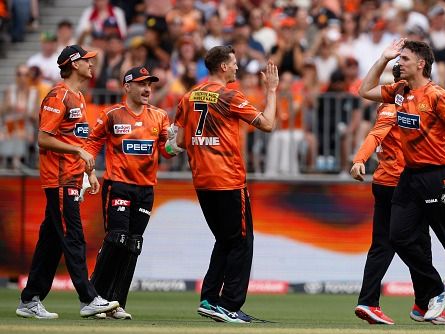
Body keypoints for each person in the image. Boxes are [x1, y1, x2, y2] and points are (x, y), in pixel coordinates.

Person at [358, 39, 445, 326]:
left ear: (421, 64)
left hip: (438, 176)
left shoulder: (438, 95)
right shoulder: (400, 91)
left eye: (403, 58)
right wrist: (383, 59)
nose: (398, 63)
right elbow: (364, 91)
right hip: (409, 177)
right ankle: (437, 290)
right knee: (398, 237)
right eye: (398, 58)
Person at [173, 45, 278, 323]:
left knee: (225, 239)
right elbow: (267, 124)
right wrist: (272, 91)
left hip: (202, 181)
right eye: (233, 63)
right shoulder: (230, 95)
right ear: (223, 67)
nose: (236, 67)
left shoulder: (188, 96)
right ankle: (229, 305)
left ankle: (209, 299)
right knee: (242, 242)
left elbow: (181, 142)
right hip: (228, 179)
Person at [16, 45, 119, 319]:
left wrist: (89, 171)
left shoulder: (79, 97)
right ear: (74, 64)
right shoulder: (58, 95)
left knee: (50, 241)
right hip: (59, 179)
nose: (91, 64)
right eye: (87, 60)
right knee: (74, 237)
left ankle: (30, 299)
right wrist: (78, 153)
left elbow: (78, 141)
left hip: (71, 177)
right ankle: (89, 297)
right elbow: (44, 137)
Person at [351, 62, 445, 325]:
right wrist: (359, 159)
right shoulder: (396, 106)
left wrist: (360, 160)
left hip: (388, 182)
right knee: (413, 244)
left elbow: (376, 134)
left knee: (386, 244)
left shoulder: (392, 105)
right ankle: (427, 300)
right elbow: (376, 135)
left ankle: (376, 301)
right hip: (402, 184)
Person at [84, 66, 178, 320]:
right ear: (127, 87)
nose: (147, 89)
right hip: (118, 184)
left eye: (150, 84)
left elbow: (165, 152)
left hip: (146, 188)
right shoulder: (112, 114)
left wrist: (177, 145)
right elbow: (92, 142)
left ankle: (116, 303)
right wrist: (89, 171)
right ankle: (96, 297)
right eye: (141, 84)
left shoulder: (159, 116)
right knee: (117, 238)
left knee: (133, 244)